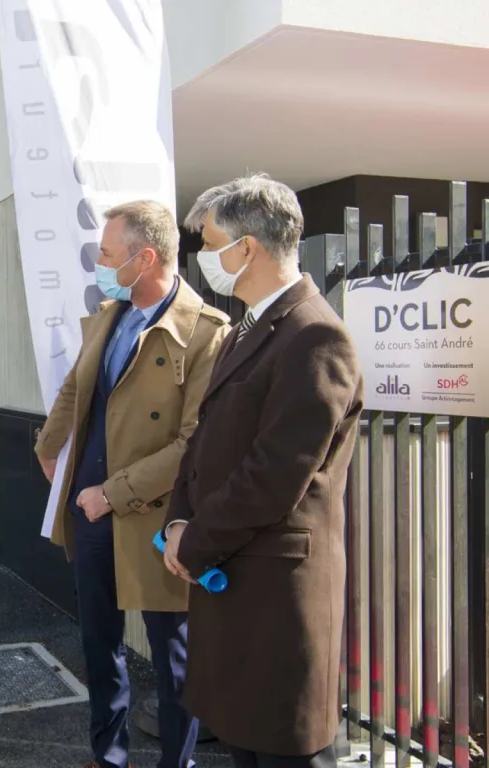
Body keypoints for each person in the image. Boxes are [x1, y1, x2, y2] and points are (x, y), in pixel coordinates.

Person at [163, 174, 363, 768]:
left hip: (276, 599)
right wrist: (178, 519)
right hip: (235, 580)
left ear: (246, 248)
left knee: (280, 752)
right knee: (246, 747)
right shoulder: (249, 327)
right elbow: (205, 443)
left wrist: (194, 539)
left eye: (210, 241)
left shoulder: (314, 334)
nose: (203, 257)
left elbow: (274, 475)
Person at [34, 201, 230, 768]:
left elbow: (195, 444)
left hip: (158, 519)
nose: (98, 261)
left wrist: (112, 492)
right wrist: (48, 446)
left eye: (107, 253)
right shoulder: (111, 314)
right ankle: (109, 754)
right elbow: (76, 387)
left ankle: (178, 761)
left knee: (174, 656)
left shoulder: (206, 334)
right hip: (91, 511)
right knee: (100, 645)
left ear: (145, 259)